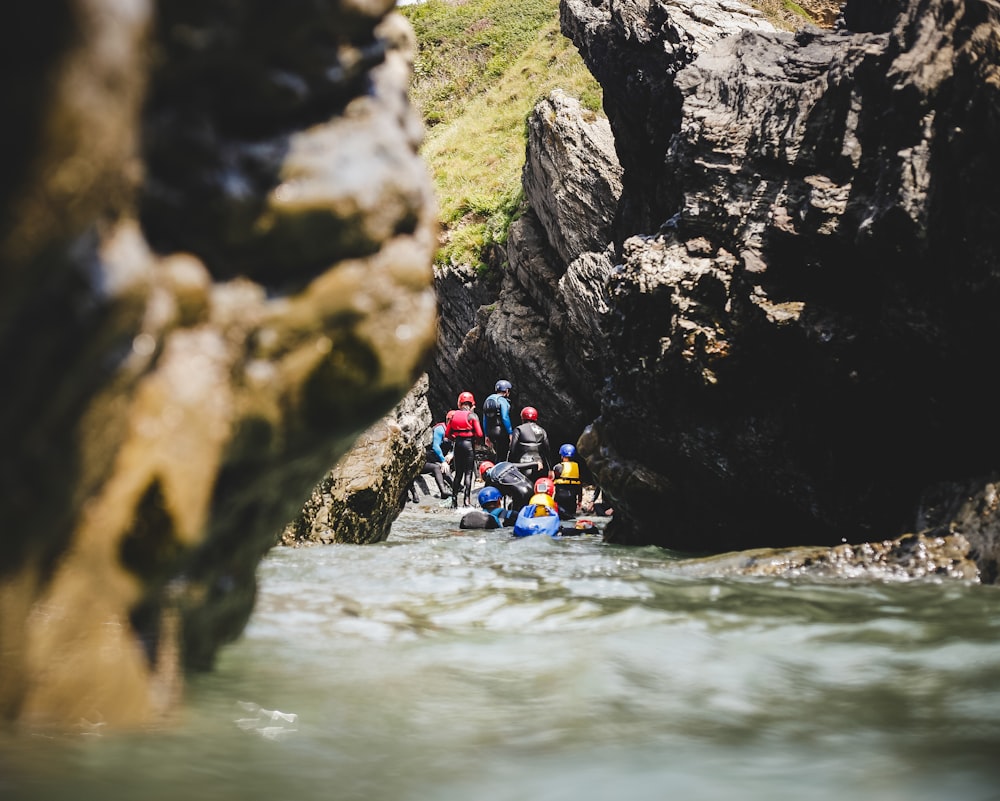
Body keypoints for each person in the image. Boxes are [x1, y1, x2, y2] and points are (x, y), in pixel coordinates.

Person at [444, 391, 483, 508]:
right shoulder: (473, 416)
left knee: (458, 474)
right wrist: (476, 441)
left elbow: (447, 434)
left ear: (460, 403)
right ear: (471, 404)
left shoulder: (453, 415)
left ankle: (454, 500)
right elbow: (480, 434)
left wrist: (455, 438)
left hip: (458, 444)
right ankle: (466, 500)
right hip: (468, 445)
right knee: (468, 473)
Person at [508, 406, 551, 484]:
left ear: (522, 417)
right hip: (539, 466)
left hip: (523, 465)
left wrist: (510, 465)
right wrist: (550, 469)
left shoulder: (518, 429)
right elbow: (547, 450)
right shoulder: (542, 430)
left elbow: (512, 449)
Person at [482, 380, 514, 461]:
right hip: (501, 432)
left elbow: (485, 419)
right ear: (506, 391)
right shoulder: (502, 400)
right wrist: (510, 433)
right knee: (502, 455)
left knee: (496, 455)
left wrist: (486, 435)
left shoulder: (488, 399)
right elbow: (505, 417)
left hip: (490, 431)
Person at [552, 443, 583, 520]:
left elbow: (551, 481)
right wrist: (580, 500)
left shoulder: (558, 467)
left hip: (560, 500)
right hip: (572, 502)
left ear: (562, 455)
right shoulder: (577, 467)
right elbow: (579, 485)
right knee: (570, 516)